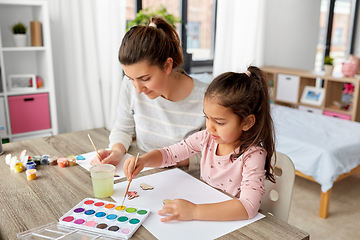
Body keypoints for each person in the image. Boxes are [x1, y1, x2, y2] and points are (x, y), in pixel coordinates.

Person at [123, 66, 276, 221]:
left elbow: (248, 207)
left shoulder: (253, 155)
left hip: (230, 222)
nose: (209, 126)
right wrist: (144, 160)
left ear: (247, 122)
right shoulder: (206, 138)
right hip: (205, 214)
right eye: (207, 117)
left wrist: (194, 211)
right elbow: (169, 154)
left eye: (219, 122)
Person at [90, 17, 208, 168]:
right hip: (145, 175)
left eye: (145, 78)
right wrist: (117, 151)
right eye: (131, 78)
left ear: (167, 65)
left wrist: (159, 160)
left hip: (188, 181)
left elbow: (213, 155)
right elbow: (123, 130)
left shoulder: (207, 98)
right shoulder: (129, 86)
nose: (138, 89)